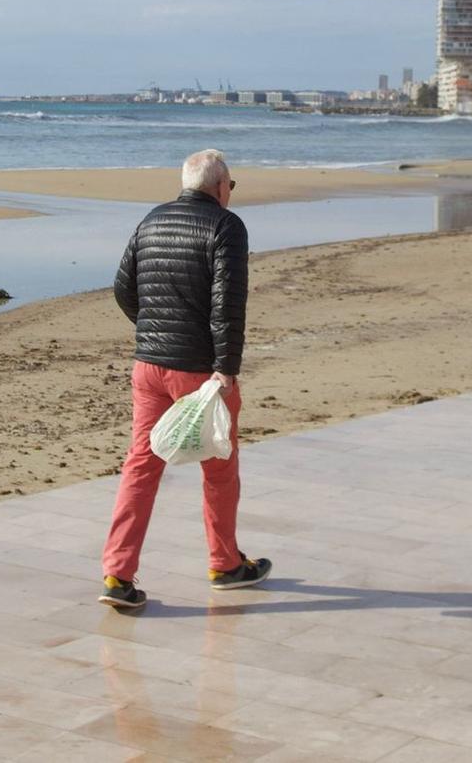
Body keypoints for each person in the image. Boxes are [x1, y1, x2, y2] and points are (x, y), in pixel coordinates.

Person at [99, 148, 270, 610]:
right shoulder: (225, 226)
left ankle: (117, 575)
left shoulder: (151, 220)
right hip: (200, 370)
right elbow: (228, 304)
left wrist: (151, 329)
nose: (230, 194)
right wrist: (226, 368)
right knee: (219, 468)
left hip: (148, 367)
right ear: (218, 187)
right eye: (230, 186)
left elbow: (122, 287)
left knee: (141, 465)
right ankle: (225, 564)